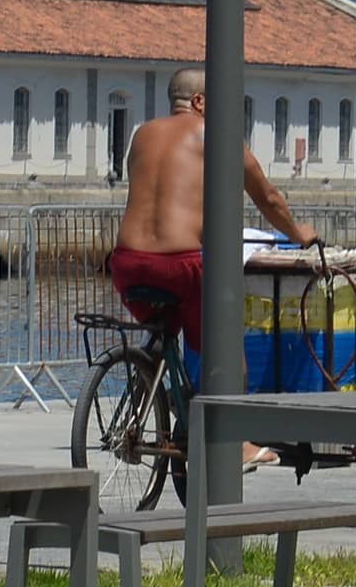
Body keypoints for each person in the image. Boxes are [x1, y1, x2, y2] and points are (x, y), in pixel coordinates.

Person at [108, 65, 309, 389]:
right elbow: (268, 198)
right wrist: (298, 233)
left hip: (126, 263)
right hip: (180, 265)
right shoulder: (216, 135)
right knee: (228, 346)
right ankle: (236, 436)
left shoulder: (142, 134)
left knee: (166, 331)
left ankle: (159, 410)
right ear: (200, 101)